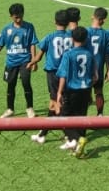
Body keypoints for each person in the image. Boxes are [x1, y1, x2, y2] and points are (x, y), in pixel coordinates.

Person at [31, 8, 78, 145]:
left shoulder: (50, 37)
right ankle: (43, 133)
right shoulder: (72, 36)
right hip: (68, 74)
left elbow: (38, 58)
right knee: (58, 102)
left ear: (54, 21)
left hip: (53, 74)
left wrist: (30, 63)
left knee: (55, 104)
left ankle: (70, 135)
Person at [0, 2, 39, 118]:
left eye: (20, 16)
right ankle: (10, 109)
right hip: (11, 62)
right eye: (16, 17)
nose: (19, 19)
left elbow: (32, 44)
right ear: (11, 17)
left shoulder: (29, 27)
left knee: (26, 83)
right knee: (11, 84)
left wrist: (34, 60)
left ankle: (29, 108)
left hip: (26, 60)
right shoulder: (6, 29)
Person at [54, 25, 100, 157]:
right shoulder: (89, 54)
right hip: (85, 90)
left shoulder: (68, 55)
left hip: (71, 91)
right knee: (81, 118)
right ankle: (79, 149)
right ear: (86, 39)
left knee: (64, 119)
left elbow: (63, 75)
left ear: (71, 38)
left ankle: (77, 140)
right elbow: (95, 76)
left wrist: (59, 92)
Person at [86, 7, 109, 115]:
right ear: (104, 20)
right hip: (99, 68)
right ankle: (100, 114)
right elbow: (107, 54)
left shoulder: (85, 32)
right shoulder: (106, 35)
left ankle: (81, 118)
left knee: (84, 93)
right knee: (99, 92)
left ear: (93, 16)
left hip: (85, 68)